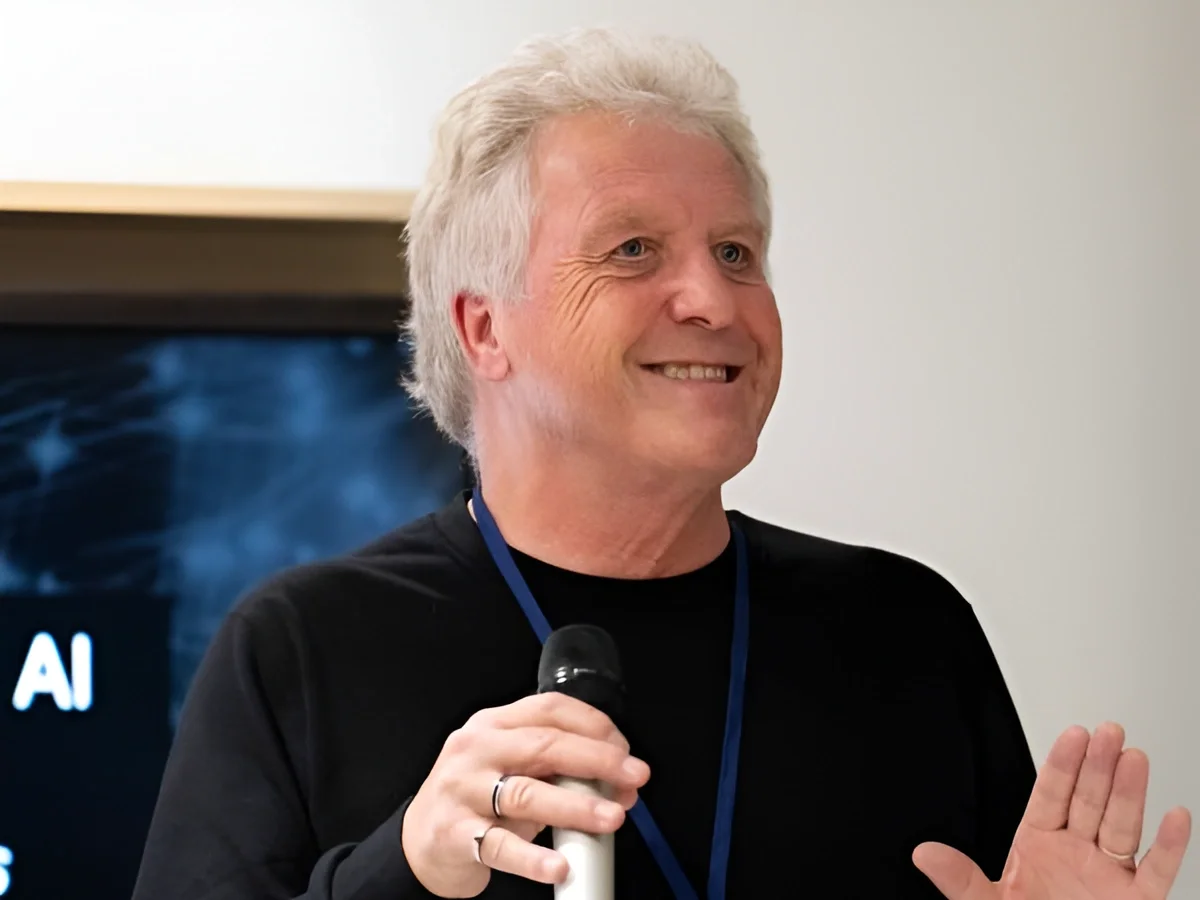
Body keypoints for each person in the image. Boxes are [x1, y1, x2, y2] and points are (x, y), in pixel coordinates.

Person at [131, 27, 1191, 900]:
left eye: (737, 252)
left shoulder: (907, 631)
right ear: (485, 329)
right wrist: (402, 870)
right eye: (634, 250)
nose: (717, 302)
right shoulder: (301, 651)